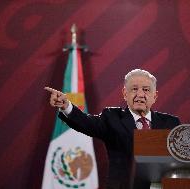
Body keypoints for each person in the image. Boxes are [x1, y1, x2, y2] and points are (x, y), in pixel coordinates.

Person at [45, 69, 181, 189]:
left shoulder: (171, 123)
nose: (140, 94)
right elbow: (87, 123)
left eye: (146, 90)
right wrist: (66, 106)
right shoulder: (112, 118)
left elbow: (183, 160)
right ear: (124, 93)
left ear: (155, 96)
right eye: (134, 89)